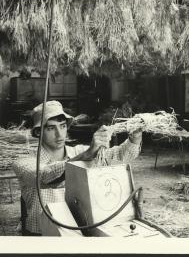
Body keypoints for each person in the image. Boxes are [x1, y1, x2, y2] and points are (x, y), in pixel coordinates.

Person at [12, 100, 142, 236]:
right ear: (38, 132)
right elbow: (44, 176)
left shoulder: (78, 152)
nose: (59, 134)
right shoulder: (24, 160)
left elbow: (117, 155)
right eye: (51, 128)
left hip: (78, 231)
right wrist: (87, 154)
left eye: (62, 126)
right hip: (42, 234)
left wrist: (135, 139)